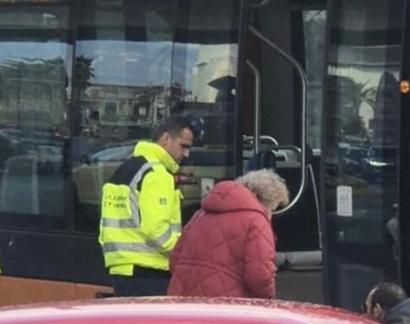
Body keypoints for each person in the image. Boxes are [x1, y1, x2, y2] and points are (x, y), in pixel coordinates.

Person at [99, 114, 194, 296]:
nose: (186, 154)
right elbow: (156, 231)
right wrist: (185, 249)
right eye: (184, 146)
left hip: (122, 268)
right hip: (149, 272)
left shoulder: (126, 168)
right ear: (166, 139)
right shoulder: (157, 174)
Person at [168, 169, 289, 299]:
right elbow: (259, 275)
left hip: (184, 300)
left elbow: (175, 259)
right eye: (272, 208)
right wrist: (268, 300)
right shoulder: (256, 221)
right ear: (263, 200)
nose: (270, 215)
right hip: (227, 305)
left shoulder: (200, 214)